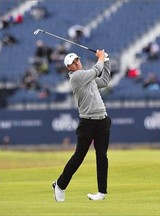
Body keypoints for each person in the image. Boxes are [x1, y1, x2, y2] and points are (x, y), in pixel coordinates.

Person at [52, 49, 111, 202]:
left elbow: (104, 81)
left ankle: (101, 193)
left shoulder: (86, 77)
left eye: (77, 60)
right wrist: (101, 58)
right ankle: (60, 185)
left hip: (102, 120)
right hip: (88, 122)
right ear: (69, 68)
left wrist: (107, 61)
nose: (77, 63)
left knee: (102, 156)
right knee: (79, 156)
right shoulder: (77, 77)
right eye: (73, 63)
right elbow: (96, 70)